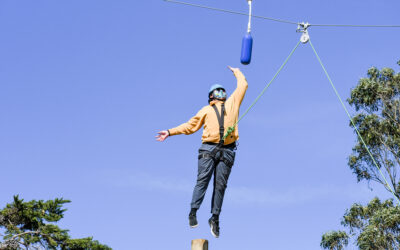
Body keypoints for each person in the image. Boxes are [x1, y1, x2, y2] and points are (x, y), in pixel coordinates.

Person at [156, 66, 248, 238]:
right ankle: (193, 211)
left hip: (227, 150)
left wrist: (237, 71)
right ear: (211, 96)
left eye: (222, 90)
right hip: (209, 148)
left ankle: (215, 218)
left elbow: (243, 85)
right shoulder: (206, 110)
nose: (221, 92)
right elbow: (190, 127)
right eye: (217, 91)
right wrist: (170, 131)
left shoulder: (233, 103)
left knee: (220, 186)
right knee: (202, 181)